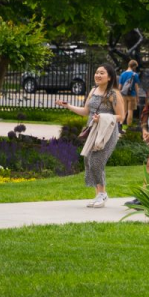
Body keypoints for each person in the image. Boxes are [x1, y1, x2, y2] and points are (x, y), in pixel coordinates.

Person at [56, 63, 124, 208]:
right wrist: (67, 106)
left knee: (97, 161)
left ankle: (103, 194)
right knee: (89, 160)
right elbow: (86, 111)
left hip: (107, 132)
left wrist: (103, 117)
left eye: (102, 73)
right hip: (93, 130)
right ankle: (98, 194)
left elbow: (121, 116)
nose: (98, 75)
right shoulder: (93, 90)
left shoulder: (114, 94)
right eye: (97, 72)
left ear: (110, 77)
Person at [118, 60, 140, 130]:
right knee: (130, 111)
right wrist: (137, 96)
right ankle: (129, 127)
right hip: (132, 95)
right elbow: (136, 87)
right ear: (134, 66)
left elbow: (120, 87)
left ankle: (120, 124)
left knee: (124, 111)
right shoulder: (135, 75)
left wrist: (119, 95)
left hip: (123, 95)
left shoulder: (122, 74)